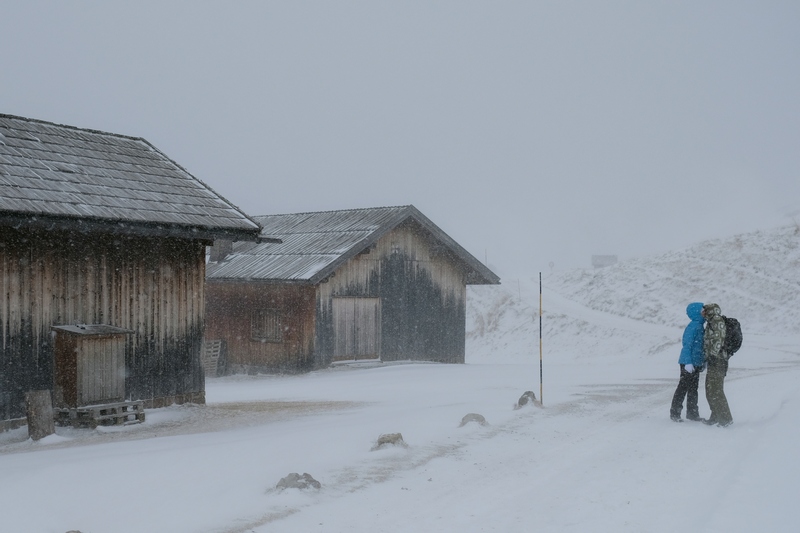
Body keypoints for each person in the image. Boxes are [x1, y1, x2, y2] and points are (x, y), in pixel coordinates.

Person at [670, 302, 706, 422]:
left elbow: (700, 347)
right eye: (702, 310)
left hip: (695, 363)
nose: (704, 312)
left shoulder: (700, 326)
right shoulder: (693, 326)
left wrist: (701, 362)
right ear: (696, 312)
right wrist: (688, 363)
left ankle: (692, 413)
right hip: (688, 362)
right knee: (683, 387)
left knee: (693, 389)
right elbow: (687, 345)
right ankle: (675, 413)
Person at [702, 303, 733, 427]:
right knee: (710, 389)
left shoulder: (717, 320)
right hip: (714, 359)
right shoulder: (710, 322)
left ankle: (725, 419)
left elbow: (719, 338)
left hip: (718, 360)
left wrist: (714, 354)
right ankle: (715, 415)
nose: (702, 313)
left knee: (716, 390)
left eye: (704, 311)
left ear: (710, 311)